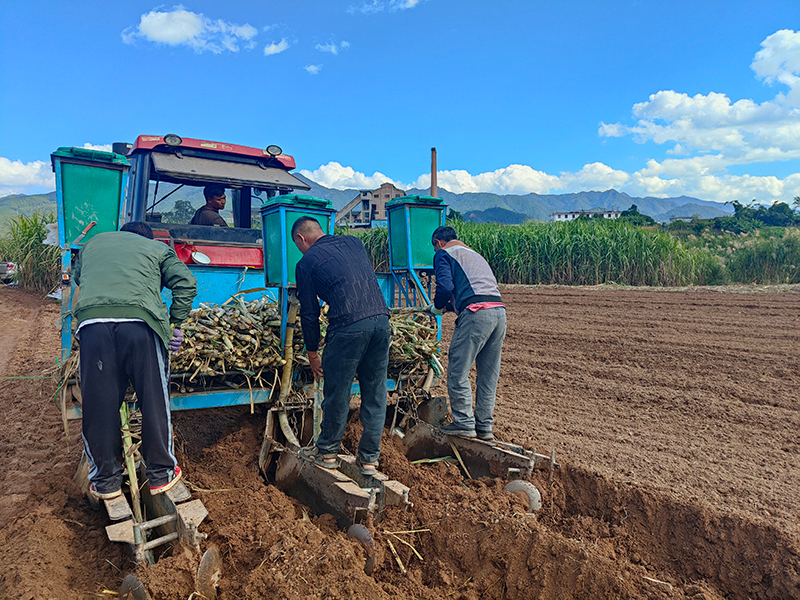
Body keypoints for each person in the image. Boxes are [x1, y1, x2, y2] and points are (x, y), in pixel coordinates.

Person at [73, 221, 197, 499]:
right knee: (153, 398)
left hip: (92, 325)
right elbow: (186, 282)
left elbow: (79, 278)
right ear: (147, 238)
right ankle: (161, 474)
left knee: (98, 404)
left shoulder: (93, 245)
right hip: (140, 325)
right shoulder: (156, 248)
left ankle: (105, 480)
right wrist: (175, 322)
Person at [292, 216, 391, 475]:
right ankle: (369, 460)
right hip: (381, 321)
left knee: (337, 391)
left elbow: (310, 313)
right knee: (375, 392)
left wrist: (312, 352)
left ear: (302, 239)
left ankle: (327, 453)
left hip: (348, 325)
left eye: (298, 245)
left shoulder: (306, 262)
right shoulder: (354, 242)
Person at [430, 225, 506, 441]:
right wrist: (452, 305)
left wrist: (436, 307)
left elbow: (444, 287)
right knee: (488, 375)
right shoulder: (472, 254)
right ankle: (484, 427)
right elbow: (474, 286)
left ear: (438, 243)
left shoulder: (443, 253)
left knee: (457, 369)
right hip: (499, 313)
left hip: (476, 314)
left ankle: (463, 423)